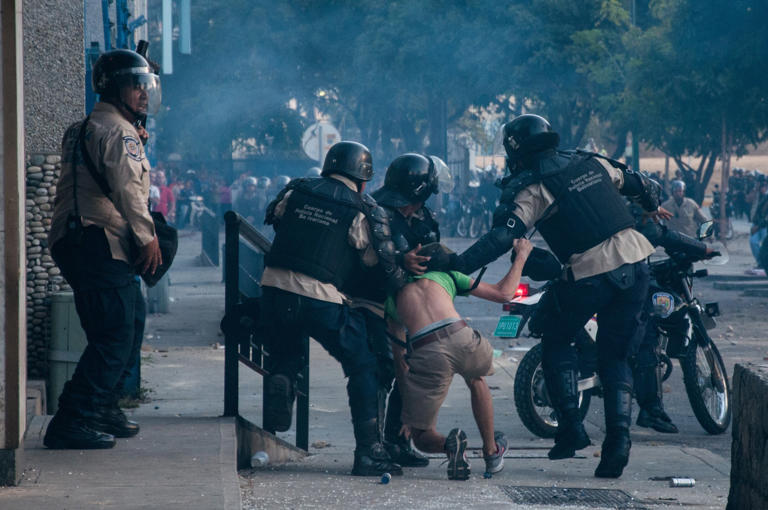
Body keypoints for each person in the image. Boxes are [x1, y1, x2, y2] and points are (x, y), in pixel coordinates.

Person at [427, 114, 670, 478]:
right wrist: (650, 208)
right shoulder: (592, 161)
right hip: (636, 266)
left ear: (516, 151)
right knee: (616, 355)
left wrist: (457, 263)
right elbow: (643, 185)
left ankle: (571, 428)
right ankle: (618, 442)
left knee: (556, 338)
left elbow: (501, 238)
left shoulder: (534, 188)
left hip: (589, 272)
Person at [259, 141, 407, 477]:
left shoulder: (297, 189)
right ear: (364, 179)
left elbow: (276, 221)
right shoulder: (363, 208)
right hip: (319, 295)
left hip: (273, 287)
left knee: (286, 352)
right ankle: (369, 452)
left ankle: (282, 376)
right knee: (363, 364)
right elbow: (375, 262)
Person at [44, 47, 162, 449]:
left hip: (79, 237)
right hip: (98, 239)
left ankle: (104, 405)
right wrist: (148, 238)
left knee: (130, 322)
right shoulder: (118, 132)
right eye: (136, 86)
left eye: (146, 86)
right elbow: (129, 190)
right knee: (113, 334)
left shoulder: (86, 127)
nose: (144, 95)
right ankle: (73, 419)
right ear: (114, 88)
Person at [386, 238, 533, 480]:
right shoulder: (449, 276)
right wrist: (522, 255)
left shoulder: (393, 295)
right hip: (461, 336)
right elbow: (504, 293)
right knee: (476, 378)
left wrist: (408, 412)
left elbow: (400, 358)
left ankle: (451, 446)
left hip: (427, 350)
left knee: (421, 437)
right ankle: (491, 452)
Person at [345, 153, 445, 468]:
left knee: (415, 370)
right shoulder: (376, 214)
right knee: (381, 368)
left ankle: (397, 442)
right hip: (371, 303)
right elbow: (364, 266)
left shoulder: (425, 218)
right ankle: (372, 448)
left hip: (411, 306)